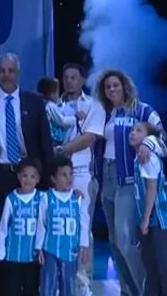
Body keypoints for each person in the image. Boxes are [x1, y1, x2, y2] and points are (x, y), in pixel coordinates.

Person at [0, 52, 54, 296]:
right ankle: (1, 290)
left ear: (18, 73)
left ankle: (30, 290)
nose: (6, 75)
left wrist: (47, 182)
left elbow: (45, 144)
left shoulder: (35, 102)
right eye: (2, 70)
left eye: (11, 70)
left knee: (32, 235)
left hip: (30, 178)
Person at [93, 69, 164, 296]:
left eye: (115, 85)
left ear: (125, 86)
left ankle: (147, 290)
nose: (112, 89)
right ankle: (127, 290)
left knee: (125, 239)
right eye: (107, 87)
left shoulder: (143, 110)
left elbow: (163, 139)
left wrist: (148, 144)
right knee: (114, 241)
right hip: (105, 177)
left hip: (129, 179)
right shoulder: (103, 113)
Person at [54, 63, 105, 296]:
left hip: (82, 173)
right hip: (56, 174)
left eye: (73, 77)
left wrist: (63, 150)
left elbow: (90, 137)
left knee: (82, 226)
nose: (69, 81)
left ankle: (83, 282)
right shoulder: (55, 106)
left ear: (82, 80)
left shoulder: (93, 105)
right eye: (66, 77)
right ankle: (58, 281)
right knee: (58, 225)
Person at [129, 122, 167, 296]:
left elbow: (152, 189)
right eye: (132, 130)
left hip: (161, 220)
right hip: (150, 220)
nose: (133, 133)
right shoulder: (137, 158)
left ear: (148, 138)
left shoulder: (149, 158)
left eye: (138, 130)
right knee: (152, 268)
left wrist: (146, 219)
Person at [35, 156, 90, 296]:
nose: (69, 178)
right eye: (64, 175)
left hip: (71, 251)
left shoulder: (78, 198)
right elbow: (41, 224)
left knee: (69, 286)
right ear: (53, 179)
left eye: (71, 174)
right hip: (50, 250)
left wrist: (84, 245)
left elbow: (84, 223)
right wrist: (38, 247)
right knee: (48, 286)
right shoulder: (46, 198)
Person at [0, 158, 43, 296]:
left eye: (32, 176)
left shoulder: (42, 198)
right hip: (13, 256)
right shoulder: (11, 199)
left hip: (32, 257)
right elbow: (3, 228)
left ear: (38, 179)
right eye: (24, 175)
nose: (28, 180)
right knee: (12, 290)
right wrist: (0, 254)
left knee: (32, 290)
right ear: (18, 176)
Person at [37, 76, 80, 147]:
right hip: (54, 139)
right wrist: (76, 118)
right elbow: (62, 121)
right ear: (52, 93)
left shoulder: (41, 104)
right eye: (57, 92)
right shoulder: (50, 106)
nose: (58, 95)